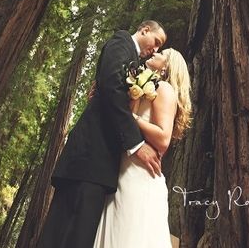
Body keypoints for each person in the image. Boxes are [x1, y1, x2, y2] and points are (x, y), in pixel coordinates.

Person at [37, 20, 167, 248]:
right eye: (156, 42)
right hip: (89, 158)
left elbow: (112, 87)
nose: (155, 49)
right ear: (144, 30)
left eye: (159, 47)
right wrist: (136, 145)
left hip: (99, 165)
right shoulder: (122, 42)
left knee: (79, 235)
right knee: (67, 234)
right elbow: (111, 87)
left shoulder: (136, 63)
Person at [93, 47, 192, 248]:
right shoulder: (149, 86)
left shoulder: (164, 89)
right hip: (123, 169)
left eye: (161, 53)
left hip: (138, 174)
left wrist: (133, 118)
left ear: (167, 66)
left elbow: (163, 138)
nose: (155, 53)